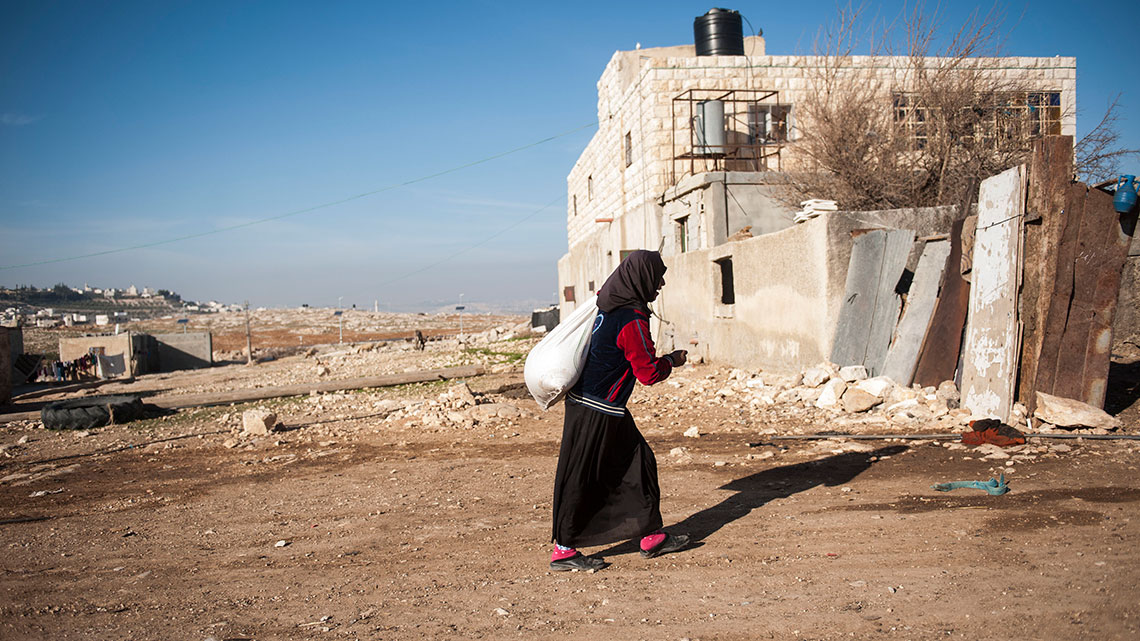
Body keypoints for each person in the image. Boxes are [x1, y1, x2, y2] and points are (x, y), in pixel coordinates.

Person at [549, 249, 690, 571]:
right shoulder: (632, 318)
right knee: (584, 477)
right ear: (642, 279)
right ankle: (564, 550)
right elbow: (648, 373)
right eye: (657, 276)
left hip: (592, 404)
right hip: (598, 409)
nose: (661, 283)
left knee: (638, 465)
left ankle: (651, 536)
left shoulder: (608, 308)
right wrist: (672, 360)